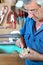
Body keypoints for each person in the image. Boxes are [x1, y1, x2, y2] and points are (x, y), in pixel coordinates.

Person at [16, 0, 43, 65]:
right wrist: (20, 40)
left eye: (33, 10)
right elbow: (22, 34)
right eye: (27, 10)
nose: (30, 15)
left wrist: (40, 57)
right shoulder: (29, 19)